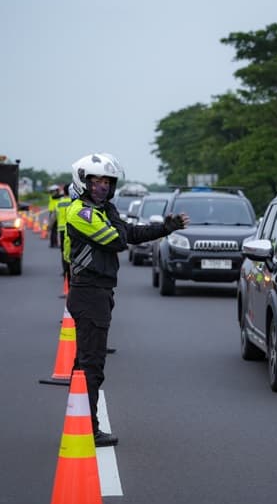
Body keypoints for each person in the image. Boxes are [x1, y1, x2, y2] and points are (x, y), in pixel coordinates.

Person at [65, 152, 187, 447]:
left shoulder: (103, 210)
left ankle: (77, 420)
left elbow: (130, 231)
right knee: (91, 365)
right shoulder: (80, 212)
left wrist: (165, 227)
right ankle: (88, 429)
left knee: (84, 363)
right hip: (89, 293)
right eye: (96, 181)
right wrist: (114, 219)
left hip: (98, 292)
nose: (103, 187)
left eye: (107, 181)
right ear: (83, 182)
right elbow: (118, 240)